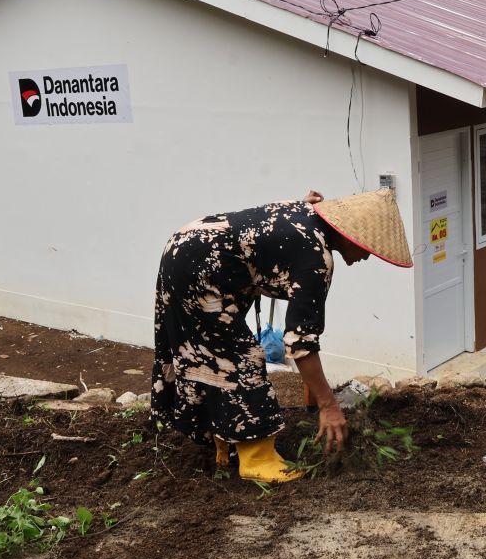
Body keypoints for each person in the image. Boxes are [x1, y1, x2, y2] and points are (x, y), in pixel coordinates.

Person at [150, 188, 413, 483]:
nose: (367, 256)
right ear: (352, 236)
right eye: (369, 248)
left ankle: (223, 440)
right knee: (240, 359)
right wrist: (328, 405)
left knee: (210, 353)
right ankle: (257, 459)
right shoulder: (316, 258)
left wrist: (316, 399)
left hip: (187, 246)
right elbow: (300, 342)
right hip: (200, 266)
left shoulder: (307, 215)